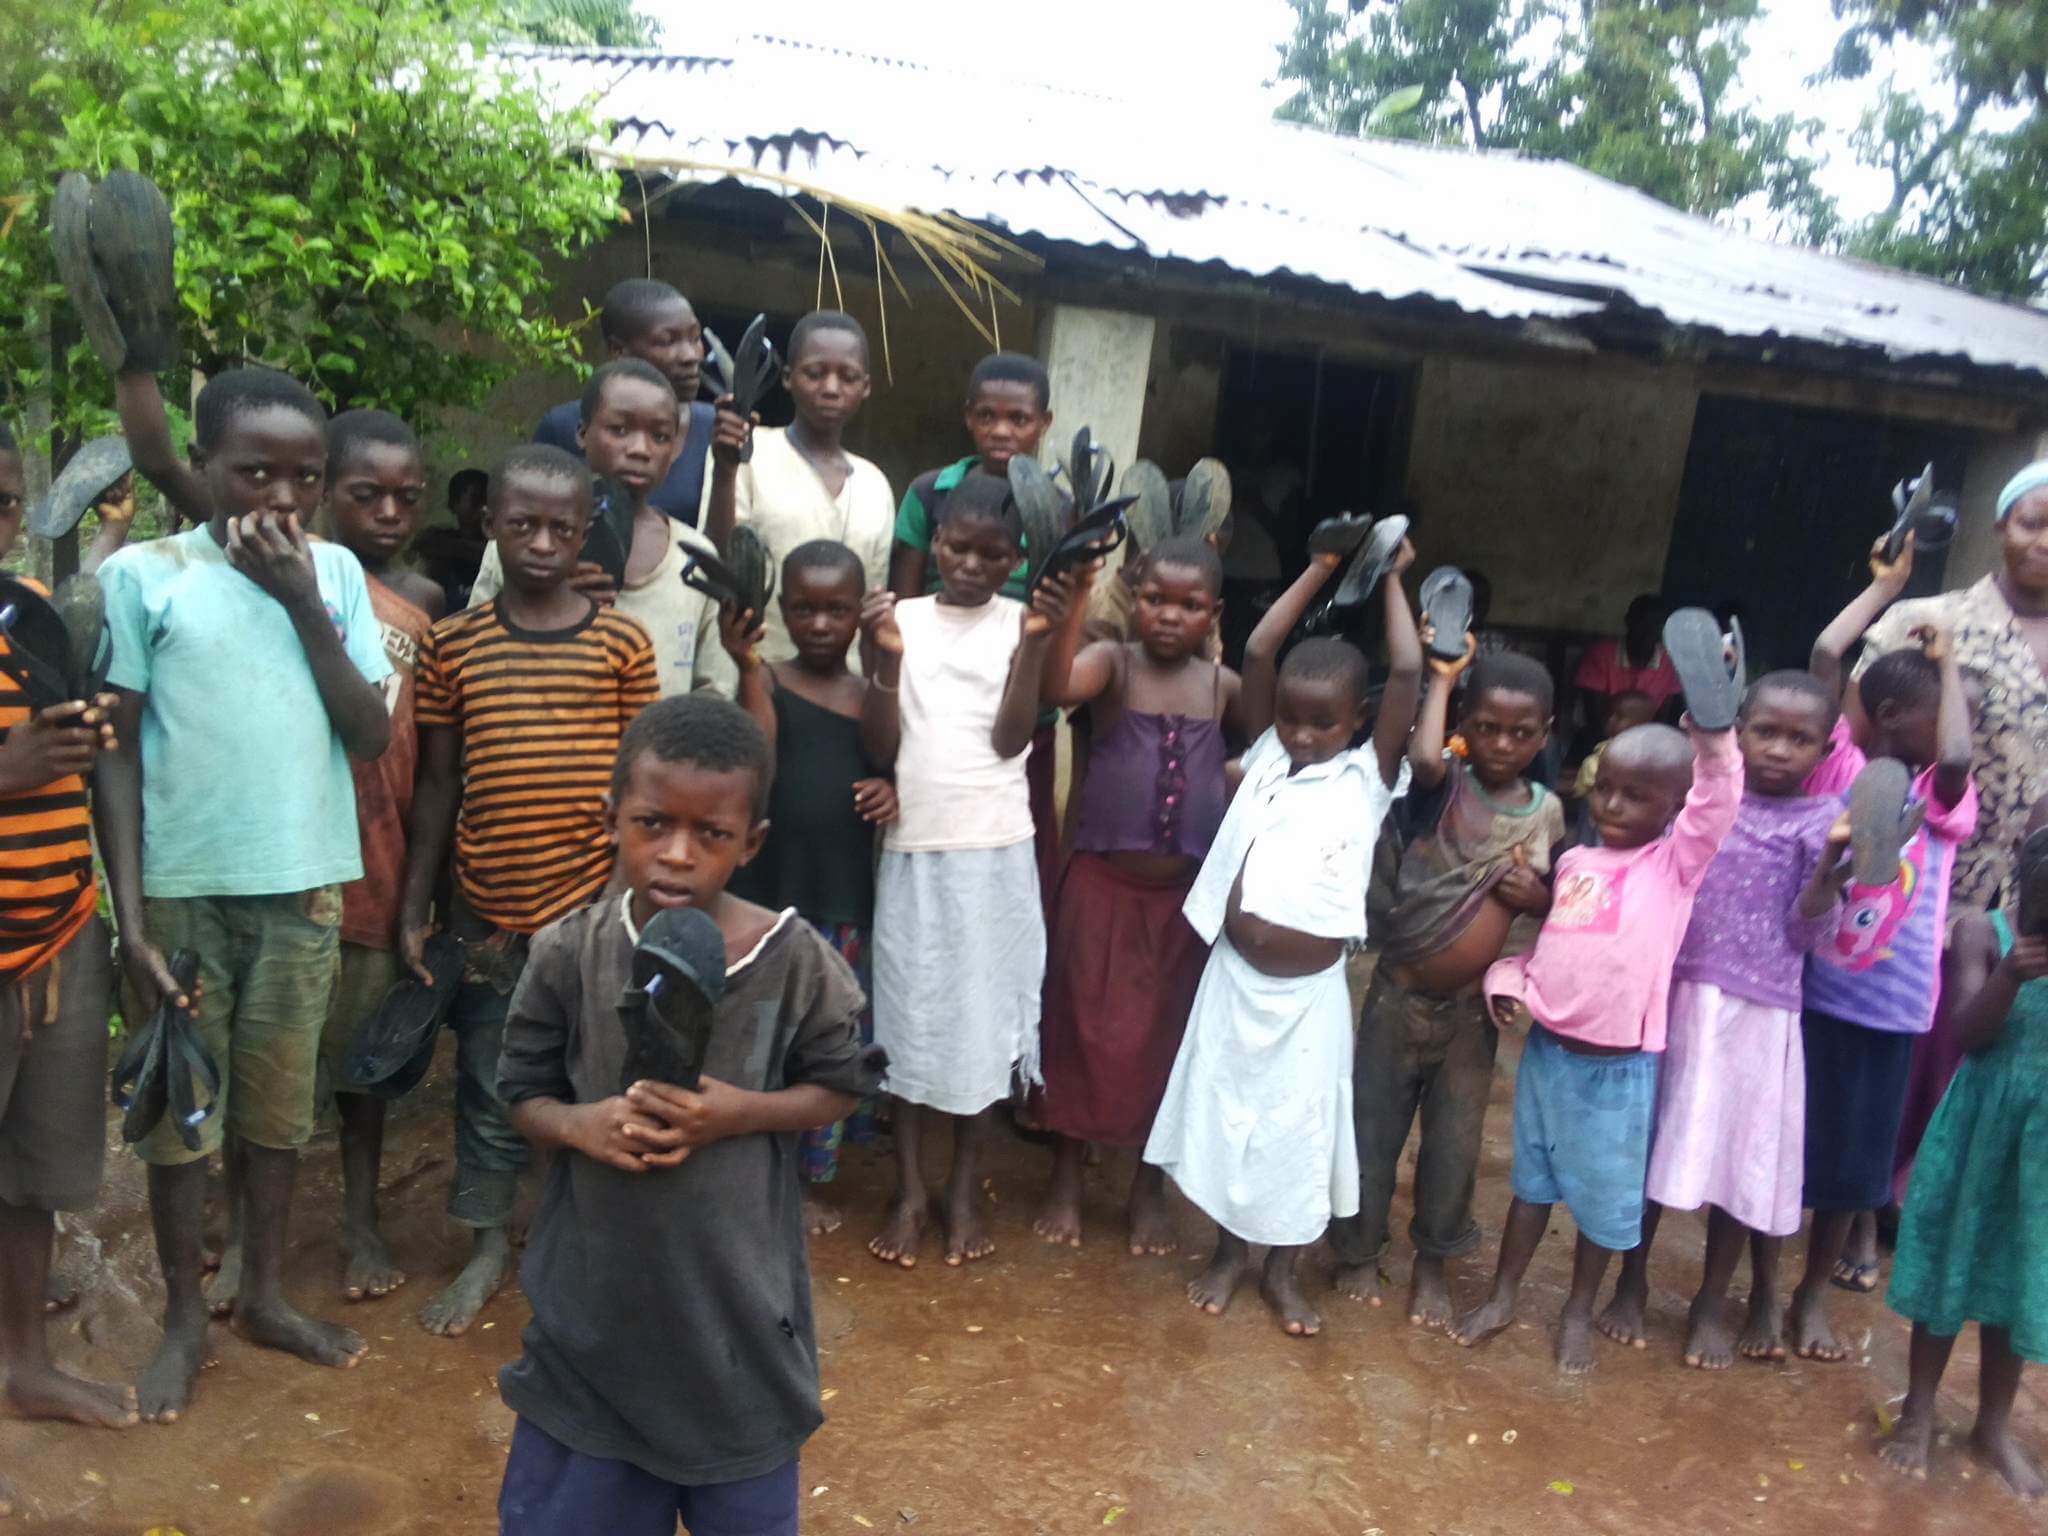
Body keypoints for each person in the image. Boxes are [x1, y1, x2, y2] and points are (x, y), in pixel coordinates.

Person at [494, 693, 881, 1535]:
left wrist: (738, 1114)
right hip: (592, 1331)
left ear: (752, 843)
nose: (677, 854)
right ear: (611, 820)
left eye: (711, 834)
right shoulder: (569, 951)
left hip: (738, 1332)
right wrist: (580, 1125)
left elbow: (843, 1084)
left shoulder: (795, 962)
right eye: (652, 824)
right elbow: (520, 1090)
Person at [99, 365, 393, 1421]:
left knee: (276, 1108)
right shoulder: (145, 575)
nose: (280, 497)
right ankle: (185, 1318)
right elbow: (116, 754)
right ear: (203, 465)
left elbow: (370, 733)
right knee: (178, 1115)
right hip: (180, 894)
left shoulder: (338, 575)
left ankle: (262, 1294)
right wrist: (130, 916)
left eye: (304, 478)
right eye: (253, 472)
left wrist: (303, 601)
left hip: (301, 889)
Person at [400, 444, 658, 1339]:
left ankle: (575, 1231)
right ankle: (484, 1247)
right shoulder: (454, 644)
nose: (542, 544)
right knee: (490, 1077)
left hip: (590, 907)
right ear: (489, 526)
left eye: (561, 528)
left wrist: (618, 907)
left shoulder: (622, 643)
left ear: (585, 533)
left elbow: (640, 788)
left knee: (591, 1073)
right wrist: (419, 905)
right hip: (488, 909)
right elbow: (439, 784)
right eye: (523, 525)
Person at [1145, 538, 1422, 1338]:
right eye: (1292, 718)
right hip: (1235, 981)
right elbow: (1263, 648)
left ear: (1358, 720)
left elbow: (1407, 670)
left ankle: (1281, 1269)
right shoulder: (1267, 754)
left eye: (1322, 722)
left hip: (1307, 1000)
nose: (1302, 734)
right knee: (1229, 1115)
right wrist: (1322, 569)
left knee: (1298, 1132)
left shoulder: (1367, 777)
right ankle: (1229, 1254)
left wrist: (1393, 577)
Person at [1454, 713, 1743, 1373]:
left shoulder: (1674, 866)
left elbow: (1719, 797)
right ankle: (1503, 1296)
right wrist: (1507, 981)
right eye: (1605, 788)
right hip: (1548, 1060)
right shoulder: (1574, 863)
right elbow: (1554, 951)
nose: (1612, 805)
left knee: (1602, 1202)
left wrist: (1713, 734)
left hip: (1618, 1075)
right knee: (1531, 1188)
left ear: (1675, 808)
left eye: (1636, 796)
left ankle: (1579, 1310)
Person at [1596, 670, 1850, 1368]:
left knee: (1738, 1159)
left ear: (1826, 749)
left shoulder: (1824, 822)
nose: (1779, 750)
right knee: (1654, 1142)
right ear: (1739, 732)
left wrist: (1829, 870)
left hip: (1760, 1015)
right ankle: (1630, 1280)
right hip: (1676, 994)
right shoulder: (1707, 798)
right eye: (1765, 732)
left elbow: (1809, 935)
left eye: (1800, 739)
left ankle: (1711, 1301)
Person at [861, 474, 1072, 1270]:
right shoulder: (902, 620)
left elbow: (1013, 741)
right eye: (957, 547)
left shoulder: (1022, 622)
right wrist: (884, 656)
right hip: (916, 847)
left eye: (991, 554)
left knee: (981, 1028)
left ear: (1015, 559)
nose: (972, 565)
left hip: (995, 849)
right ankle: (911, 1190)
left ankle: (961, 1189)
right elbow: (879, 745)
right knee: (911, 1021)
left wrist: (1038, 642)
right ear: (935, 543)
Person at [1327, 644, 1565, 1328]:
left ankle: (1432, 1260)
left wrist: (1540, 898)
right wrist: (1442, 677)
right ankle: (1357, 1251)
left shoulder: (1546, 812)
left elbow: (1564, 906)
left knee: (1454, 1145)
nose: (1502, 744)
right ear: (1463, 723)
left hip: (1469, 1016)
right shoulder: (1440, 785)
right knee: (1371, 1133)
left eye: (1521, 733)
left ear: (1544, 735)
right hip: (1396, 997)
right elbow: (1426, 757)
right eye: (1486, 727)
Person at [1031, 537, 1244, 1255]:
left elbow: (1262, 752)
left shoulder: (1223, 688)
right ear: (1134, 598)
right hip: (1101, 886)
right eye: (1155, 599)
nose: (1169, 616)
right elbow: (1057, 687)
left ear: (1213, 614)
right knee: (1080, 1026)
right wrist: (1078, 598)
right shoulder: (1112, 664)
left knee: (1166, 1039)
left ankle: (1146, 1188)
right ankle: (1067, 1173)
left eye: (1189, 605)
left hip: (1183, 902)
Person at [1786, 568, 1976, 1362]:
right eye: (1944, 709)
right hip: (1816, 996)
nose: (1958, 728)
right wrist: (1885, 590)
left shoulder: (1940, 798)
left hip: (1892, 1012)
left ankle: (1809, 1295)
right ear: (1895, 715)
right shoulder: (1840, 771)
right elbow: (1826, 654)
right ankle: (1763, 1288)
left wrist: (1949, 661)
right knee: (1792, 1145)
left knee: (1855, 1166)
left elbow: (1958, 751)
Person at [0, 422, 134, 1499]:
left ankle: (24, 1365)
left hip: (58, 937)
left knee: (34, 1176)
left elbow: (92, 770)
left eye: (4, 498)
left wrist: (86, 737)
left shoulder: (32, 617)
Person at [726, 540, 898, 1235]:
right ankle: (751, 1173)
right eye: (804, 609)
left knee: (822, 1039)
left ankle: (802, 1180)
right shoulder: (766, 680)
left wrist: (889, 787)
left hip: (841, 900)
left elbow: (885, 753)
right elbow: (758, 761)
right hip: (769, 898)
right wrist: (745, 666)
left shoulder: (868, 692)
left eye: (837, 610)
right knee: (761, 1039)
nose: (821, 625)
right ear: (782, 610)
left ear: (860, 613)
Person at [1877, 807, 2048, 1499]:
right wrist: (2011, 975)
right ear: (2021, 855)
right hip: (1981, 1127)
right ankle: (1918, 1410)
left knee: (2015, 1275)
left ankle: (1992, 1426)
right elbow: (1968, 1034)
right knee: (1952, 1260)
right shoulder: (1983, 932)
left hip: (2040, 1149)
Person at [313, 411, 443, 1304]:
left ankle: (360, 1220)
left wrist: (418, 897)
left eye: (407, 497)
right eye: (368, 495)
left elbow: (431, 763)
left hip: (379, 855)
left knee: (363, 1067)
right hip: (292, 857)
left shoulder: (425, 601)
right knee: (268, 1058)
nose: (390, 513)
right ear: (326, 491)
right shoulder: (295, 579)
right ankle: (239, 1228)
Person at [887, 353, 1063, 906]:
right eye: (988, 416)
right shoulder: (929, 493)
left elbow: (1061, 607)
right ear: (968, 416)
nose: (1002, 431)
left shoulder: (1057, 508)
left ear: (1044, 423)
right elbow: (905, 597)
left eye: (1019, 419)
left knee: (1009, 854)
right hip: (934, 700)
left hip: (1020, 702)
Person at [476, 359, 734, 699]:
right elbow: (475, 655)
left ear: (674, 449)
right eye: (619, 430)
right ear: (582, 434)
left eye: (659, 436)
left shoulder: (695, 558)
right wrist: (546, 601)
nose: (640, 450)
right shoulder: (520, 546)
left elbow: (715, 690)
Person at [1855, 464, 2046, 914]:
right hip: (1912, 891)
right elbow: (1851, 748)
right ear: (2001, 526)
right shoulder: (1923, 621)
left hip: (2031, 912)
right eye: (2031, 524)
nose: (2045, 542)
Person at [702, 311, 894, 671]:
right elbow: (718, 559)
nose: (831, 388)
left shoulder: (874, 484)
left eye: (848, 377)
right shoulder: (748, 454)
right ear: (788, 378)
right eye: (815, 373)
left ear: (866, 387)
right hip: (751, 670)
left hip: (843, 683)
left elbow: (872, 600)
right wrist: (726, 472)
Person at [533, 278, 715, 526]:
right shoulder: (561, 427)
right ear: (618, 350)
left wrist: (726, 471)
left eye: (695, 338)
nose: (691, 356)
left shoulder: (717, 430)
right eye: (667, 341)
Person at [1572, 594, 1681, 748]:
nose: (1648, 632)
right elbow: (1595, 717)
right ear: (1629, 621)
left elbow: (1662, 720)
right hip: (1602, 737)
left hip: (1646, 741)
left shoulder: (1668, 664)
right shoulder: (1602, 654)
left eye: (1655, 625)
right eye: (1642, 624)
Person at [414, 468, 489, 613]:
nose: (483, 509)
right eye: (476, 501)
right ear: (454, 504)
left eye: (488, 502)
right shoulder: (438, 540)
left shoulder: (442, 543)